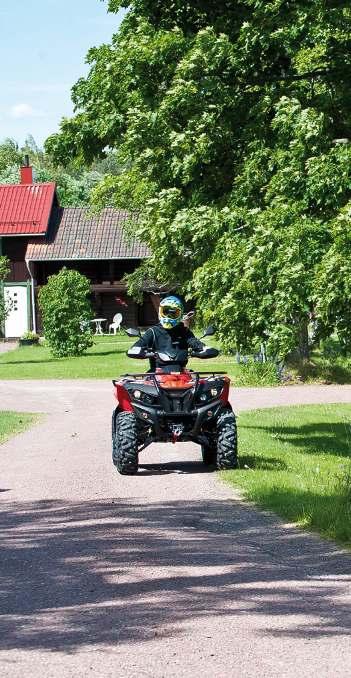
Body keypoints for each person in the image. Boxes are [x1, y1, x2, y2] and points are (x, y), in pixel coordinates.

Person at [127, 295, 216, 372]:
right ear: (160, 312)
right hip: (157, 372)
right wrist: (137, 350)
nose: (169, 316)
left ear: (180, 314)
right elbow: (138, 345)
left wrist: (204, 348)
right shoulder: (153, 331)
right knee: (140, 388)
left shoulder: (184, 331)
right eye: (166, 312)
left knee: (200, 387)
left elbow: (194, 342)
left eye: (173, 313)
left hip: (182, 372)